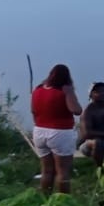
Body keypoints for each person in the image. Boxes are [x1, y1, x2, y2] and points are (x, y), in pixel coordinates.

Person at [30, 63, 82, 195]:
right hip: (60, 133)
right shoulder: (63, 92)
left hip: (39, 132)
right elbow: (76, 110)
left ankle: (46, 199)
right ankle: (63, 203)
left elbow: (33, 110)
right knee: (62, 172)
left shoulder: (37, 90)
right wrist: (69, 93)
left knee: (46, 171)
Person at [78, 82, 104, 167]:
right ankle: (100, 169)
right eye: (97, 92)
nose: (102, 94)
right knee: (98, 142)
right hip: (89, 144)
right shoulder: (88, 111)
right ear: (91, 95)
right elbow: (86, 134)